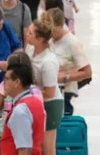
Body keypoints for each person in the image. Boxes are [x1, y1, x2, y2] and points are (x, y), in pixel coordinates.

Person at [26, 15, 65, 155]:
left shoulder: (48, 62)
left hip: (50, 104)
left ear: (41, 39)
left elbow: (49, 92)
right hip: (36, 102)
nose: (27, 34)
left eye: (30, 33)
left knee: (47, 148)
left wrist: (27, 91)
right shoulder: (30, 50)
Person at [49, 8, 92, 116]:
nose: (49, 33)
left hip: (65, 91)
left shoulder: (72, 43)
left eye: (52, 29)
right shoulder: (48, 39)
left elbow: (87, 73)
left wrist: (66, 77)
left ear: (61, 25)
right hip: (49, 89)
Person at [0, 61, 46, 155]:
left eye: (7, 79)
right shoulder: (36, 102)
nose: (4, 83)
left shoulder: (20, 111)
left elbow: (24, 149)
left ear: (17, 82)